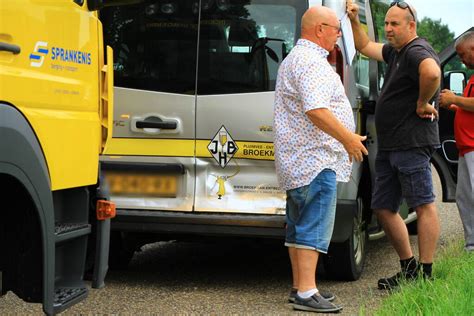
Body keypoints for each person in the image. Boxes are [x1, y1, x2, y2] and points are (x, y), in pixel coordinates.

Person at [273, 5, 368, 313]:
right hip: (315, 160)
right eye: (335, 29)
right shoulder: (311, 63)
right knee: (312, 226)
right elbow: (316, 109)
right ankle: (305, 291)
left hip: (300, 161)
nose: (339, 35)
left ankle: (302, 286)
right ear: (319, 30)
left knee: (298, 226)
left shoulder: (296, 59)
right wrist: (348, 138)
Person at [346, 0, 441, 290]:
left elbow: (433, 73)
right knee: (384, 207)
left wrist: (423, 102)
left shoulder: (416, 50)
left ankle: (425, 274)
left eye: (394, 24)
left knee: (422, 205)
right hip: (391, 146)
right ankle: (408, 268)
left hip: (410, 143)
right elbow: (364, 46)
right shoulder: (397, 52)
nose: (388, 28)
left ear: (411, 26)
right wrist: (353, 20)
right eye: (386, 23)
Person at [439, 31, 474, 252]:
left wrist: (454, 99)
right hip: (466, 147)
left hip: (473, 146)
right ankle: (471, 245)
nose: (461, 60)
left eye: (462, 55)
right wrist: (455, 105)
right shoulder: (472, 77)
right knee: (465, 198)